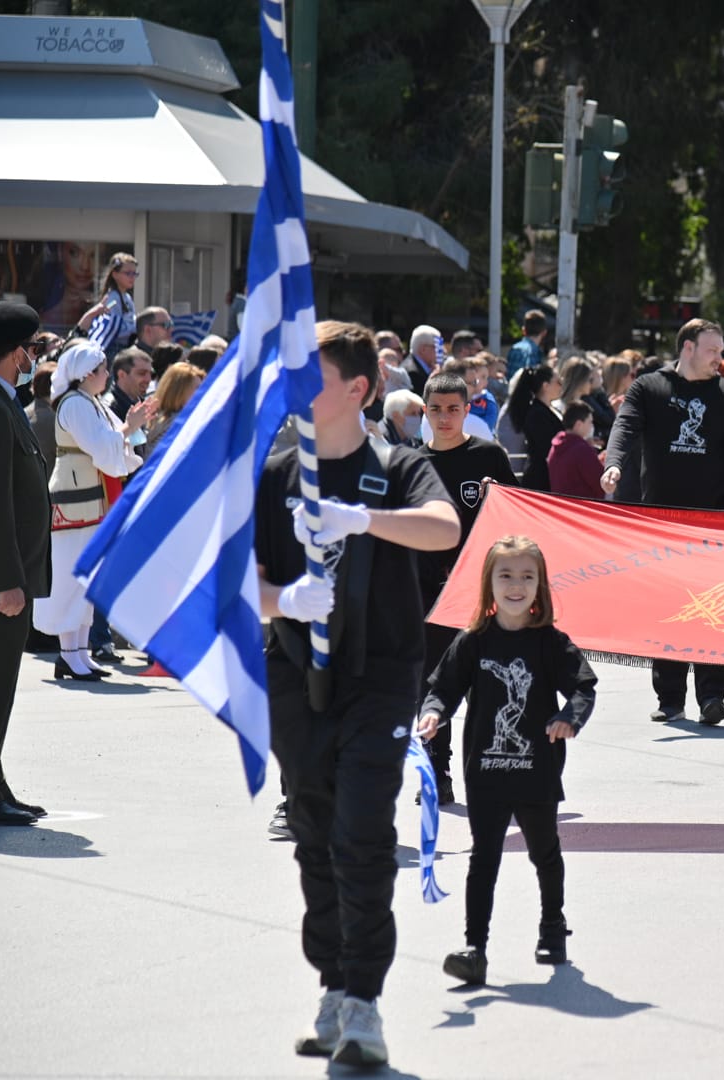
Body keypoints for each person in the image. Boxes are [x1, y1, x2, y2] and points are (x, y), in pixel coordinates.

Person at [255, 321, 459, 1067]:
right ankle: (334, 985)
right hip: (295, 672)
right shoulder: (278, 473)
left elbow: (444, 528)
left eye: (311, 377)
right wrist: (284, 601)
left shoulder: (398, 465)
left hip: (381, 674)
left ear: (358, 389)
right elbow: (236, 581)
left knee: (362, 831)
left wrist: (362, 520)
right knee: (313, 831)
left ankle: (364, 1002)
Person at [420, 536, 597, 982]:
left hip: (537, 769)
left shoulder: (550, 643)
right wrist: (433, 713)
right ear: (489, 584)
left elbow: (583, 687)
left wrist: (569, 718)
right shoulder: (473, 642)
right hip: (486, 772)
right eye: (506, 575)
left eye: (526, 576)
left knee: (544, 852)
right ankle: (474, 949)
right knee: (484, 859)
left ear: (540, 586)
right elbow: (443, 688)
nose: (516, 585)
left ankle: (552, 926)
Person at [601, 318, 724, 725]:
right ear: (688, 347)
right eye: (712, 350)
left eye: (720, 350)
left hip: (712, 524)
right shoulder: (649, 388)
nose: (720, 358)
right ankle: (670, 697)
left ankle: (712, 695)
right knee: (668, 608)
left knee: (713, 610)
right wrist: (614, 463)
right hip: (661, 523)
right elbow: (625, 426)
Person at [418, 371, 519, 801]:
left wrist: (499, 498)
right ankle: (435, 773)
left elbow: (520, 518)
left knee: (491, 684)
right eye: (436, 410)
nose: (444, 418)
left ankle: (493, 772)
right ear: (424, 411)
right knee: (432, 686)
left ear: (466, 410)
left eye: (453, 409)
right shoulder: (411, 463)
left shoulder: (489, 455)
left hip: (481, 591)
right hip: (428, 593)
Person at [32, 341, 151, 680]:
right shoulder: (74, 404)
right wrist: (130, 426)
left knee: (86, 580)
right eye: (101, 370)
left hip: (90, 496)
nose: (106, 375)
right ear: (86, 374)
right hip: (76, 500)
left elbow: (113, 444)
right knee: (72, 577)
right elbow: (102, 445)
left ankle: (79, 653)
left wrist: (131, 427)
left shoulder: (89, 402)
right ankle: (69, 654)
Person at [0, 302, 52, 825]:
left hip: (7, 578)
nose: (34, 358)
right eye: (32, 348)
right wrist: (5, 580)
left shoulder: (0, 400)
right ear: (15, 352)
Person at [509, 364, 564, 492]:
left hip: (549, 474)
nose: (561, 386)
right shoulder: (536, 413)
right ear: (546, 385)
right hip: (540, 479)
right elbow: (546, 446)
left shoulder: (548, 410)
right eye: (558, 382)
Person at [72, 252, 137, 352]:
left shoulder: (127, 297)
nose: (132, 277)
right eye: (128, 273)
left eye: (134, 273)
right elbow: (113, 325)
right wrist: (134, 327)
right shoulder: (112, 298)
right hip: (112, 347)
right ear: (115, 274)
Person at [142, 360, 205, 458]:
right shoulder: (179, 423)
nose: (202, 393)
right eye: (197, 388)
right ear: (179, 391)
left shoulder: (154, 415)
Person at [548, 401, 605, 498]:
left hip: (562, 503)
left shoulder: (555, 447)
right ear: (579, 424)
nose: (592, 426)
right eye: (590, 422)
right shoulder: (582, 449)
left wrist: (597, 460)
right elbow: (601, 483)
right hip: (583, 504)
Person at [107, 347, 154, 420]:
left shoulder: (145, 405)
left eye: (151, 374)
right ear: (122, 375)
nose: (148, 379)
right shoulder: (108, 407)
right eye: (142, 373)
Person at [405, 325, 441, 396]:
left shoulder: (429, 367)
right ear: (423, 349)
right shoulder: (411, 372)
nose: (440, 352)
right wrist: (432, 382)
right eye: (437, 347)